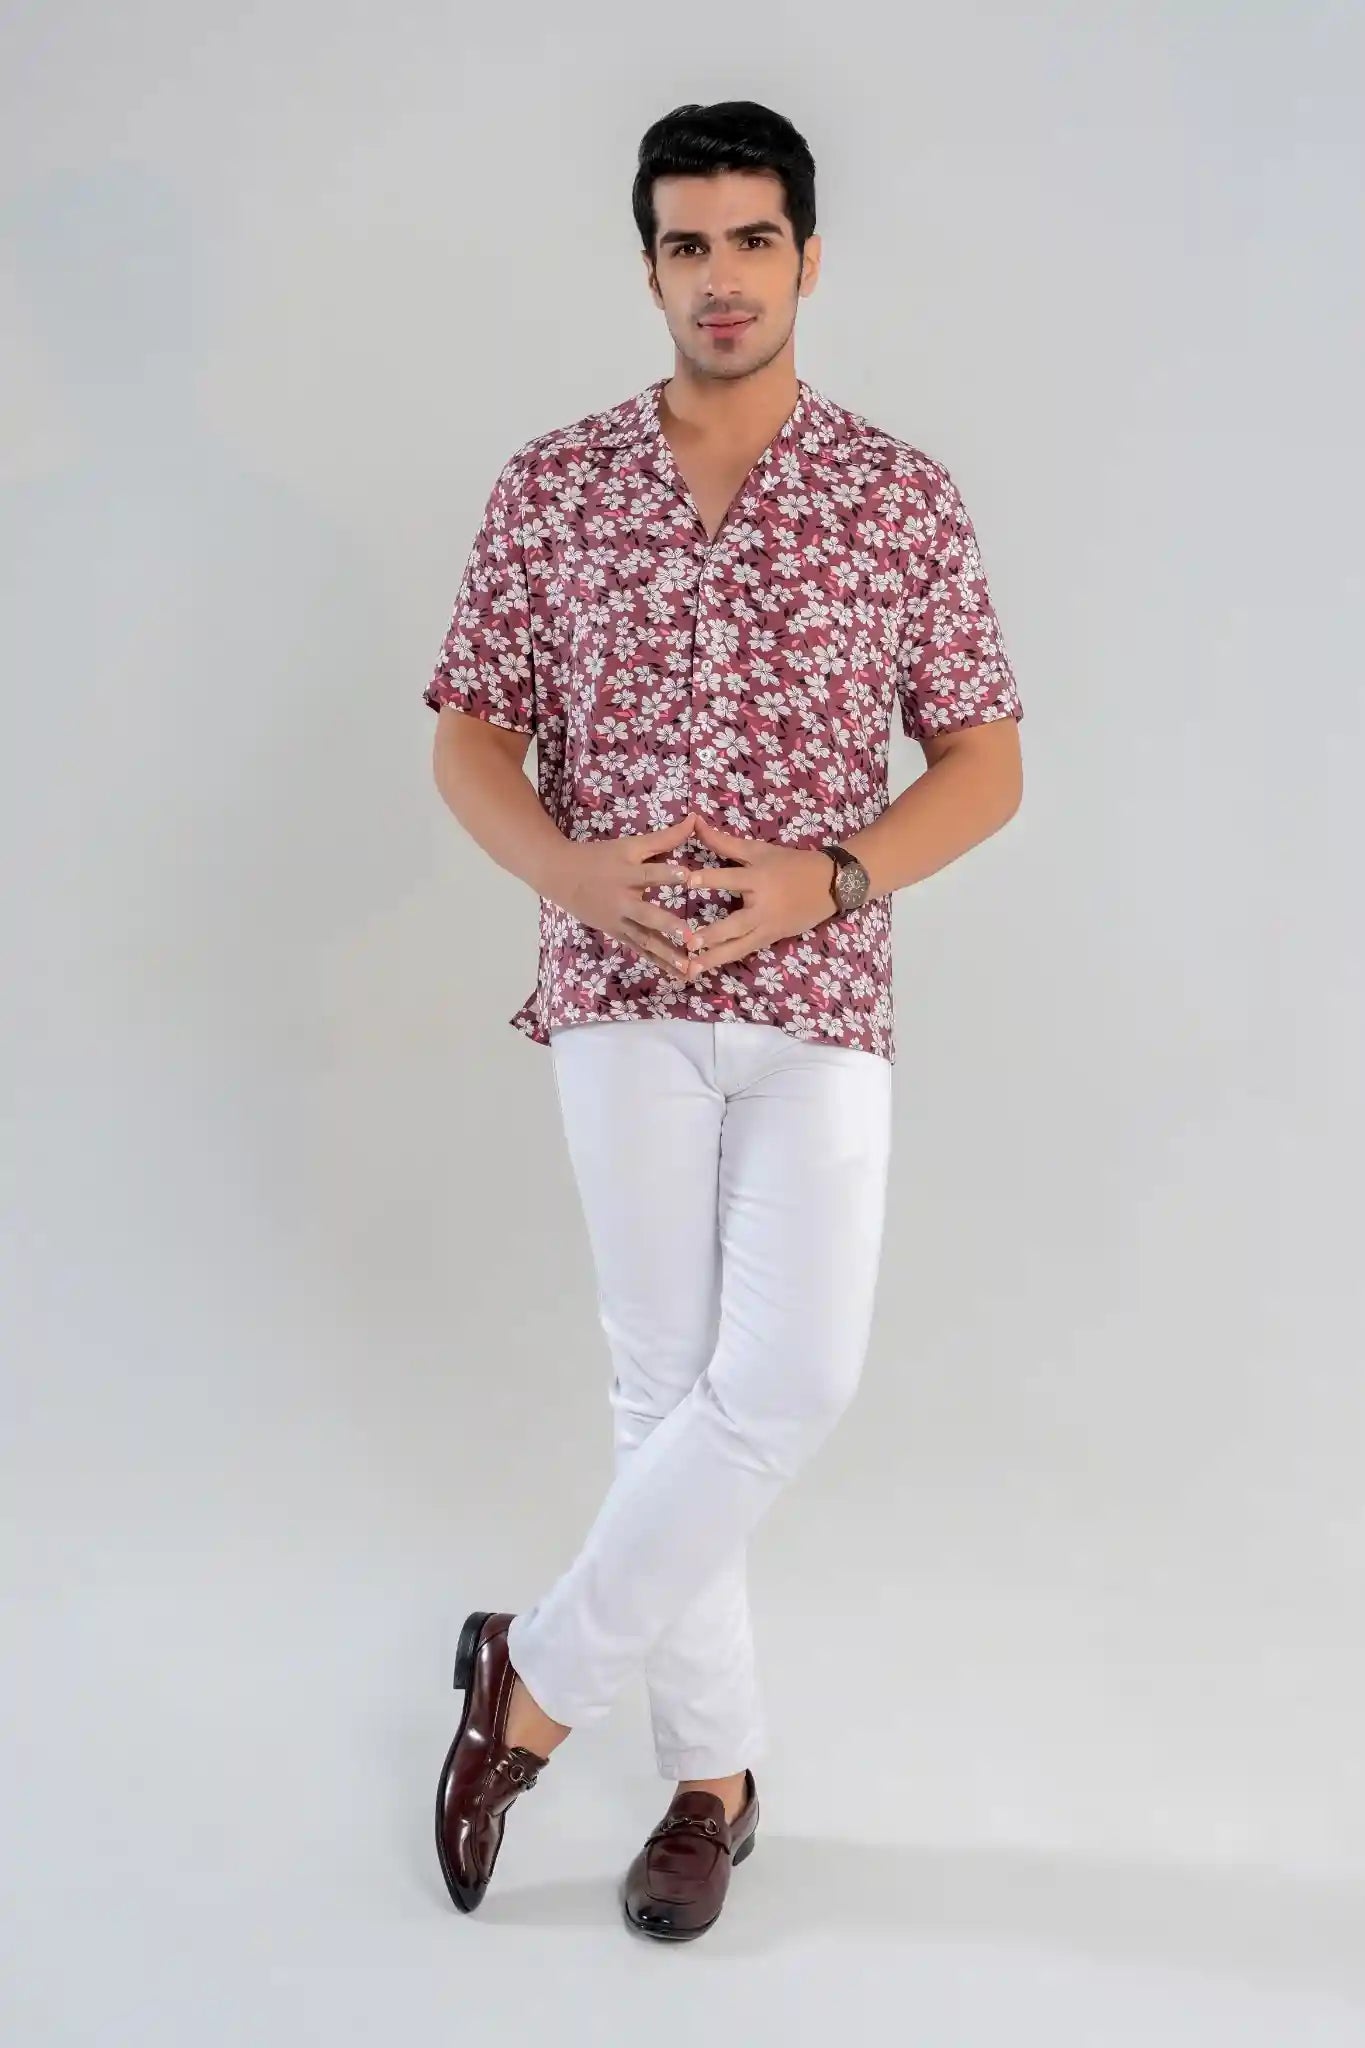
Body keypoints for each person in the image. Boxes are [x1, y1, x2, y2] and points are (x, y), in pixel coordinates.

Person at [427, 99, 1024, 1940]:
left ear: (806, 259)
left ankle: (526, 1685)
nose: (721, 277)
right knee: (662, 1387)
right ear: (650, 268)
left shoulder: (895, 494)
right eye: (686, 244)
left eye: (751, 240)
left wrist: (820, 877)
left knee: (787, 1381)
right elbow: (471, 733)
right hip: (614, 995)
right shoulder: (555, 484)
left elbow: (984, 764)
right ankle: (712, 1786)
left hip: (821, 992)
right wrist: (580, 878)